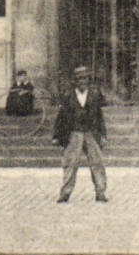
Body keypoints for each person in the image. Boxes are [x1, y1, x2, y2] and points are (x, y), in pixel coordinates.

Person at [51, 65, 108, 203]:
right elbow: (61, 117)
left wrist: (103, 135)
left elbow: (99, 116)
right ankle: (65, 193)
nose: (82, 82)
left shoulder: (94, 95)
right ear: (75, 81)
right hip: (74, 132)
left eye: (85, 79)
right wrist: (56, 135)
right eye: (79, 79)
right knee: (70, 163)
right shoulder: (68, 96)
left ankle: (100, 192)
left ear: (88, 80)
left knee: (97, 163)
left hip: (91, 132)